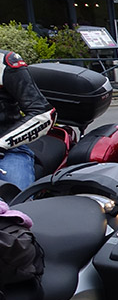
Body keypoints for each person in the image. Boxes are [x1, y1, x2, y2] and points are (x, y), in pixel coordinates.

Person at [0, 49, 55, 198]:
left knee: (15, 204)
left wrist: (2, 144)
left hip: (8, 151)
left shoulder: (5, 62)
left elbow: (43, 114)